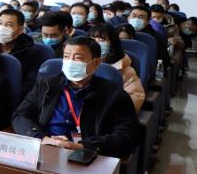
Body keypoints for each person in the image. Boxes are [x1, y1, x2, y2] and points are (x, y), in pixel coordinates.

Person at [12, 37, 140, 158]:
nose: (70, 62)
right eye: (66, 57)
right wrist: (43, 139)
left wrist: (83, 146)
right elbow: (20, 115)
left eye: (77, 58)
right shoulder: (46, 85)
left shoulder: (114, 94)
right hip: (46, 147)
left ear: (96, 63)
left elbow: (127, 135)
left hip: (87, 154)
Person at [89, 24, 145, 111]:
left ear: (112, 43)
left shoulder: (125, 70)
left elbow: (135, 97)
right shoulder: (80, 66)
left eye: (102, 40)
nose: (96, 43)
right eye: (93, 39)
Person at [0, 9, 44, 98]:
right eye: (0, 23)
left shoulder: (31, 52)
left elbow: (30, 85)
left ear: (20, 30)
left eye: (8, 25)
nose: (2, 28)